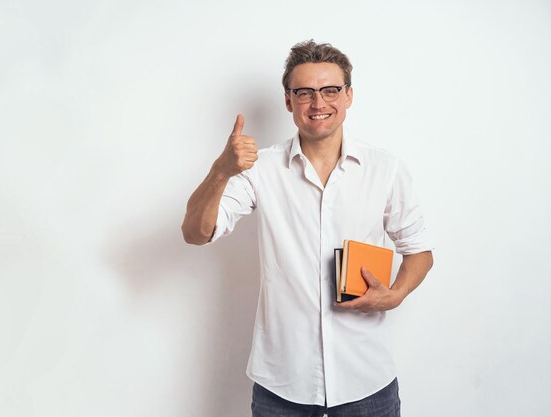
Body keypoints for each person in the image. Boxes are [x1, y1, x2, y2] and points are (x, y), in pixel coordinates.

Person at [181, 40, 434, 417]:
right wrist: (221, 171)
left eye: (330, 90)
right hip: (282, 386)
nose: (319, 104)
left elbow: (419, 252)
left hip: (367, 382)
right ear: (289, 101)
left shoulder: (385, 169)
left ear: (348, 95)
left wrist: (395, 294)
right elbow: (196, 233)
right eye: (305, 93)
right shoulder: (259, 170)